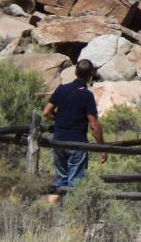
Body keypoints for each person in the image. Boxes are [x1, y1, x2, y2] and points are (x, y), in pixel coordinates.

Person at [42, 59, 103, 198]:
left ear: (75, 71)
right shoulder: (87, 95)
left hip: (58, 141)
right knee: (75, 184)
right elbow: (94, 125)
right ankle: (71, 211)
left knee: (60, 181)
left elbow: (46, 112)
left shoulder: (61, 89)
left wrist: (59, 119)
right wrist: (102, 147)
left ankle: (51, 209)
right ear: (90, 75)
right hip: (77, 143)